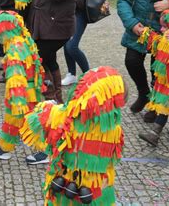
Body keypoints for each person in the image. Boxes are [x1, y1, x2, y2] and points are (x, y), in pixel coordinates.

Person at [20, 66, 125, 206]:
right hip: (98, 191)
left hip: (63, 190)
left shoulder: (62, 116)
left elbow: (32, 122)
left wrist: (45, 106)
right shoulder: (115, 130)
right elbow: (114, 158)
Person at [0, 11, 46, 164]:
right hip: (28, 92)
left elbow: (16, 76)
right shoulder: (22, 41)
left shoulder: (14, 51)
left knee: (28, 122)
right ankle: (5, 148)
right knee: (17, 121)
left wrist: (17, 101)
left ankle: (45, 151)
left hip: (22, 95)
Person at [137, 2, 169, 146]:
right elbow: (158, 45)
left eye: (165, 26)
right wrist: (147, 34)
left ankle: (154, 135)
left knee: (164, 105)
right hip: (167, 81)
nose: (162, 29)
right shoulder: (168, 36)